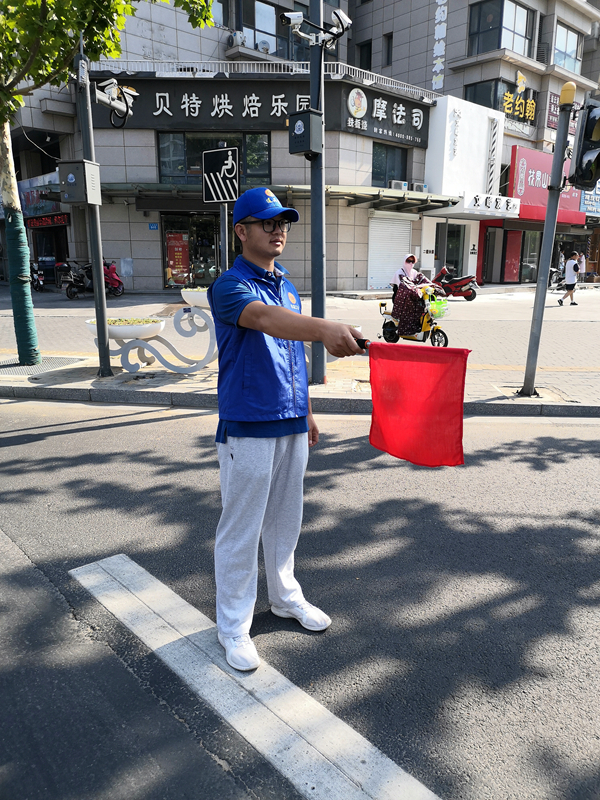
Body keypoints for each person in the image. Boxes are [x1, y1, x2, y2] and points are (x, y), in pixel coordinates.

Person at [207, 187, 364, 671]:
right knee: (242, 527)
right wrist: (323, 328)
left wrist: (307, 410)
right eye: (268, 222)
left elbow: (292, 351)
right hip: (249, 422)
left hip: (292, 420)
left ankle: (284, 596)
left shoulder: (287, 286)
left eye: (284, 223)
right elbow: (267, 321)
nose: (279, 231)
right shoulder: (230, 285)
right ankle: (233, 625)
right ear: (241, 231)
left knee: (285, 520)